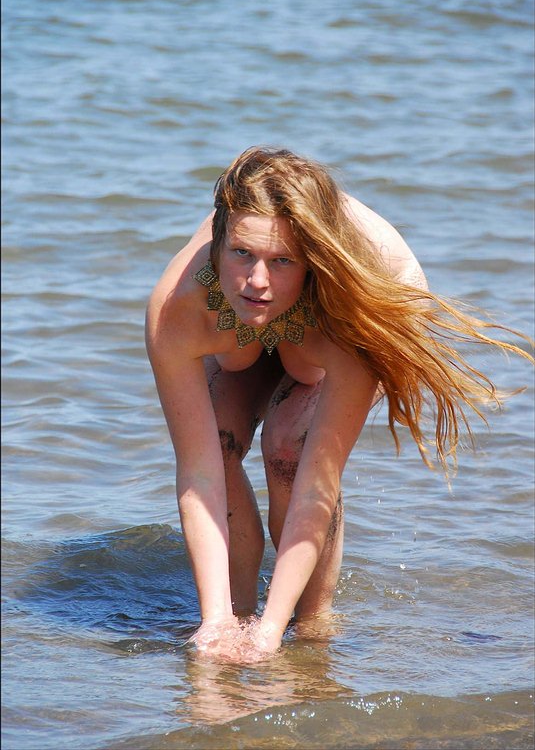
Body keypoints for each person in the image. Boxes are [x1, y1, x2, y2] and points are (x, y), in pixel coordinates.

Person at [145, 146, 531, 663]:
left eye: (281, 260)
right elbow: (199, 474)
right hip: (244, 320)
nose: (257, 280)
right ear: (219, 243)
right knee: (219, 435)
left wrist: (273, 631)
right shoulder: (178, 307)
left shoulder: (354, 311)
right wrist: (216, 621)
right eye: (241, 253)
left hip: (351, 311)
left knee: (289, 446)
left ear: (310, 262)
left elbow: (315, 487)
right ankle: (233, 614)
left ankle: (313, 627)